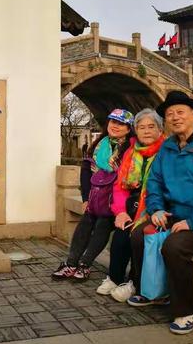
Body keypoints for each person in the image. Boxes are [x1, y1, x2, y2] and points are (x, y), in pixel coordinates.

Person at [127, 90, 193, 335]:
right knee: (138, 235)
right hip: (174, 213)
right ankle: (155, 292)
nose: (175, 117)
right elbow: (154, 181)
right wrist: (155, 209)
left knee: (174, 246)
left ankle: (186, 310)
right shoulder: (168, 147)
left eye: (180, 112)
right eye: (169, 114)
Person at [52, 108, 134, 281]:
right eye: (113, 122)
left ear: (129, 128)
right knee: (85, 222)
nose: (116, 126)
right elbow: (86, 171)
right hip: (96, 196)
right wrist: (85, 198)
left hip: (116, 200)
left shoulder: (131, 147)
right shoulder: (99, 144)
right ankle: (71, 263)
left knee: (103, 224)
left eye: (121, 124)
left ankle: (85, 265)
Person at [96, 108, 165, 301]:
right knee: (120, 233)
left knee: (137, 236)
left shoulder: (166, 151)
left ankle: (135, 282)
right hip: (131, 204)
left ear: (160, 130)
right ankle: (115, 277)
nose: (146, 131)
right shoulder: (131, 152)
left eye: (151, 126)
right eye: (141, 127)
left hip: (154, 206)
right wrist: (119, 211)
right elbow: (120, 186)